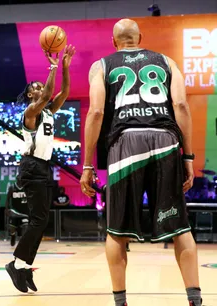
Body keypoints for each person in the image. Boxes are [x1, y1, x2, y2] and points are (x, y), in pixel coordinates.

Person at [80, 19, 201, 306]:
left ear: (114, 42)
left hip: (126, 141)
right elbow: (181, 106)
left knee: (117, 231)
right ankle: (195, 299)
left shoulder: (101, 66)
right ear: (140, 38)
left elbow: (96, 112)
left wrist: (87, 165)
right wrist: (188, 157)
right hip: (165, 139)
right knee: (180, 228)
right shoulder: (167, 62)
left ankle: (120, 301)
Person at [5, 44, 76, 293]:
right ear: (29, 96)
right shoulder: (31, 112)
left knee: (41, 220)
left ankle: (24, 266)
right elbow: (47, 95)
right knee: (38, 220)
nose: (39, 89)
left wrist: (65, 67)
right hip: (31, 166)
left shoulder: (47, 111)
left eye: (39, 86)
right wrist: (53, 67)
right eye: (34, 88)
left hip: (43, 167)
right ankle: (16, 264)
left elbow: (64, 91)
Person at [5, 181, 29, 247]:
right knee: (12, 228)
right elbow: (7, 199)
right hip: (14, 211)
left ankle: (23, 241)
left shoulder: (27, 187)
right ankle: (13, 236)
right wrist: (6, 209)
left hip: (25, 212)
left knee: (26, 226)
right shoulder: (12, 187)